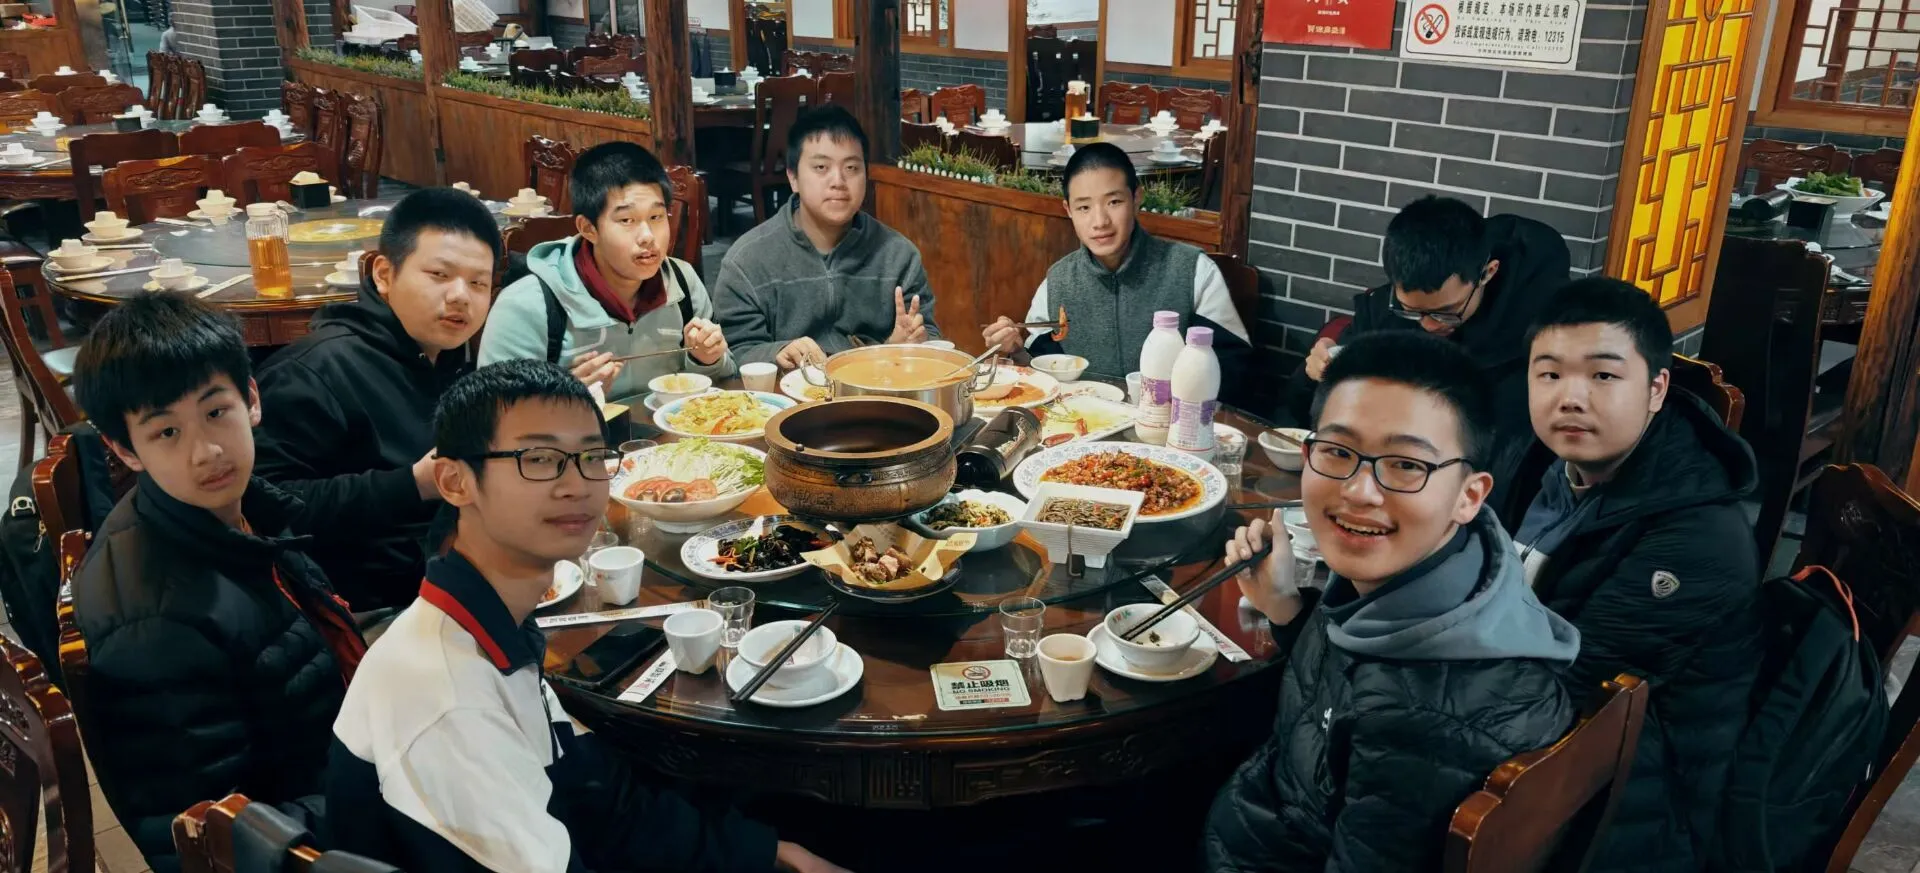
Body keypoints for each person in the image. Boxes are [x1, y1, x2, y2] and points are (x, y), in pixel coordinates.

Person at [325, 360, 847, 873]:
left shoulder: (493, 624)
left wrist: (768, 853)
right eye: (538, 458)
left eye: (592, 457)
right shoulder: (447, 699)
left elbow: (595, 796)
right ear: (455, 481)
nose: (577, 484)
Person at [1204, 330, 1578, 872]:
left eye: (1406, 464)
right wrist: (1284, 605)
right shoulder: (1451, 569)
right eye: (1337, 452)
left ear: (1470, 495)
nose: (1360, 491)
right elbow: (1347, 693)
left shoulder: (1425, 724)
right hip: (1262, 814)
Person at [67, 294, 367, 873]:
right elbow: (214, 836)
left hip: (333, 758)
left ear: (251, 399)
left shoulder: (235, 511)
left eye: (215, 411)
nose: (206, 452)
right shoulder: (156, 624)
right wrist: (392, 787)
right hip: (311, 838)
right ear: (125, 449)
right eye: (166, 432)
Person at [1512, 277, 1761, 872]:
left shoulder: (1696, 538)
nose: (1570, 398)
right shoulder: (1566, 465)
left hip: (1633, 797)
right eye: (1549, 374)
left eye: (1603, 375)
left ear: (1656, 390)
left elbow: (1577, 697)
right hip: (1552, 724)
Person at [254, 188, 499, 611]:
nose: (461, 295)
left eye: (478, 283)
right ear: (384, 275)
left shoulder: (450, 355)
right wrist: (415, 484)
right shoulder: (313, 371)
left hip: (452, 575)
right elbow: (266, 507)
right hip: (364, 609)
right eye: (440, 275)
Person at [1277, 196, 1570, 517]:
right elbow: (1309, 413)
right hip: (1383, 480)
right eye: (1413, 312)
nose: (1429, 326)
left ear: (1487, 273)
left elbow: (1517, 457)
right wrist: (1313, 375)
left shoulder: (1537, 332)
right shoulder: (1386, 311)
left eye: (1446, 312)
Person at [479, 141, 733, 401]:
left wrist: (707, 359)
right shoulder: (527, 305)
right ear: (588, 229)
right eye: (627, 220)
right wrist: (563, 399)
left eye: (656, 217)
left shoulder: (683, 282)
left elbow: (724, 387)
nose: (647, 236)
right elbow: (492, 410)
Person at [981, 142, 1250, 381]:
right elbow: (1042, 374)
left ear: (1136, 198)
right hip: (1082, 418)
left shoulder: (1193, 270)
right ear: (1068, 210)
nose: (1100, 222)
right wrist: (1015, 351)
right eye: (1084, 207)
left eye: (1113, 202)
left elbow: (1233, 369)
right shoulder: (1058, 281)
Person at [712, 105, 938, 368]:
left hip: (879, 387)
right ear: (793, 178)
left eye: (851, 168)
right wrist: (778, 352)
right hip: (787, 392)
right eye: (821, 167)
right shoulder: (747, 261)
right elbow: (733, 354)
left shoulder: (898, 256)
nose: (838, 181)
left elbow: (931, 339)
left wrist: (904, 347)